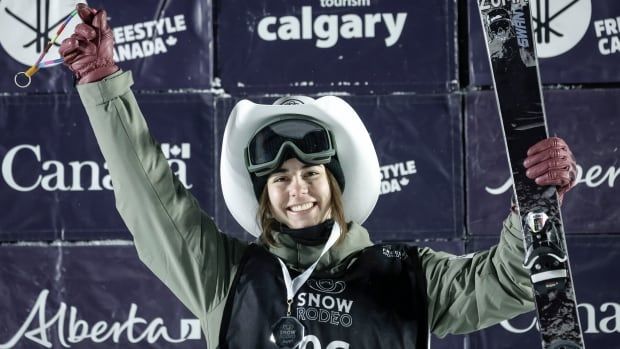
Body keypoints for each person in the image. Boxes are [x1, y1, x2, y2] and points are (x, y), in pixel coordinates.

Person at [59, 4, 578, 349]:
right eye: (280, 179)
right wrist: (104, 88)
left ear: (336, 182)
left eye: (310, 171)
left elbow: (508, 282)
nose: (297, 189)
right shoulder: (225, 276)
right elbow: (154, 199)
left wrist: (532, 216)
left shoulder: (407, 275)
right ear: (265, 196)